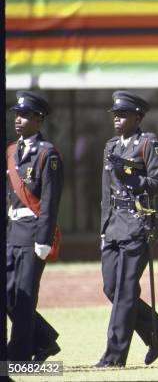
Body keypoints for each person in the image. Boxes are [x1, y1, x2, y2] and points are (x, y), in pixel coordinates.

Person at [98, 91, 158, 367]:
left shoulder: (148, 143)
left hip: (137, 222)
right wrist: (103, 228)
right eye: (115, 115)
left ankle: (114, 356)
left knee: (126, 291)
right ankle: (157, 330)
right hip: (114, 224)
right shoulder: (110, 146)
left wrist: (131, 175)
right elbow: (105, 191)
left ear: (138, 117)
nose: (117, 119)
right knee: (111, 288)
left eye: (124, 115)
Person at [6, 91, 63, 362]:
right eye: (17, 114)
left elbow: (50, 200)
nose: (19, 120)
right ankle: (44, 340)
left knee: (25, 299)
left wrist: (44, 239)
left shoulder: (47, 153)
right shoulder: (11, 151)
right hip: (12, 233)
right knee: (9, 295)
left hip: (32, 234)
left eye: (26, 115)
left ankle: (17, 356)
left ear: (39, 120)